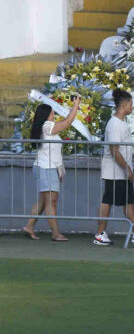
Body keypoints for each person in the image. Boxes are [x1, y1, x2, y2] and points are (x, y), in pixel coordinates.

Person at [22, 99, 81, 241]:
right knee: (51, 202)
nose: (53, 114)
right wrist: (75, 106)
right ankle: (55, 233)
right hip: (46, 168)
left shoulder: (45, 126)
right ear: (46, 115)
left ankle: (29, 226)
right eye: (51, 112)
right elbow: (67, 123)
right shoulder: (47, 126)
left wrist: (59, 171)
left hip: (48, 167)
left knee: (44, 201)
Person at [93, 89, 134, 246]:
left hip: (119, 171)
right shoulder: (115, 124)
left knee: (126, 202)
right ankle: (100, 233)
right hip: (115, 171)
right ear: (123, 105)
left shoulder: (119, 123)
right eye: (130, 104)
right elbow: (114, 150)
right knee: (111, 201)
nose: (132, 107)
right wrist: (127, 168)